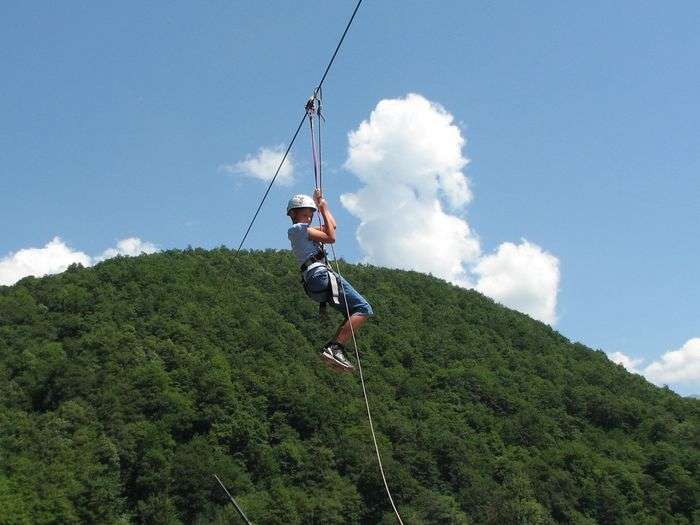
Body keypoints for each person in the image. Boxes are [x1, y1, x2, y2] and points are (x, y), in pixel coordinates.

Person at [287, 189, 373, 372]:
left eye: (311, 215)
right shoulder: (296, 229)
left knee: (354, 311)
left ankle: (335, 348)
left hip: (315, 281)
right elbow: (331, 238)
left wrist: (323, 206)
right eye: (305, 214)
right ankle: (335, 347)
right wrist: (322, 208)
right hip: (320, 275)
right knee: (363, 308)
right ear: (293, 214)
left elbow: (332, 227)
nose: (308, 218)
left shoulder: (305, 231)